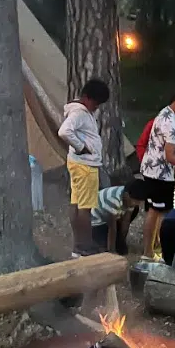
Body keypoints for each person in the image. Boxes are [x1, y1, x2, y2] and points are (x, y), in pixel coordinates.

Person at [57, 78, 110, 257]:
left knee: (77, 203)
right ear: (87, 97)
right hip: (85, 165)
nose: (96, 107)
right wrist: (81, 147)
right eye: (96, 103)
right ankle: (85, 245)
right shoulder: (79, 113)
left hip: (78, 164)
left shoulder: (81, 111)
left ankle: (78, 246)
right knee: (85, 207)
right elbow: (64, 131)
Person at [140, 87, 175, 259]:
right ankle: (155, 251)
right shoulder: (172, 123)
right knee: (161, 212)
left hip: (150, 169)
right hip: (160, 173)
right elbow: (170, 155)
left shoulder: (162, 114)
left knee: (152, 210)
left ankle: (150, 249)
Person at [90, 179, 145, 254]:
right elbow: (112, 227)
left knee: (135, 209)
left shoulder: (130, 197)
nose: (137, 204)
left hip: (113, 216)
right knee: (104, 248)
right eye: (135, 201)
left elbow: (126, 221)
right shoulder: (112, 199)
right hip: (97, 223)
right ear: (127, 195)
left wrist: (121, 241)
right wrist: (112, 251)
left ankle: (117, 241)